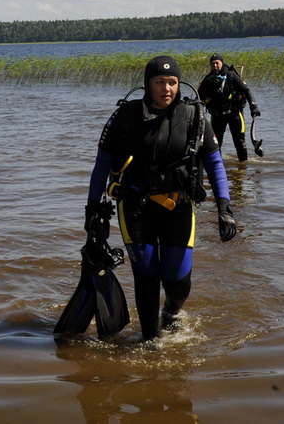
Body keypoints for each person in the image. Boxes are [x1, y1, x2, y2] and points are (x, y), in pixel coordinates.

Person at [85, 55, 236, 341]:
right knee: (146, 275)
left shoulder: (194, 117)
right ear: (147, 84)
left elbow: (215, 163)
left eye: (172, 82)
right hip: (134, 207)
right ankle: (150, 339)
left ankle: (171, 310)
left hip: (178, 206)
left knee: (177, 280)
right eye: (159, 82)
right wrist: (91, 210)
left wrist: (224, 207)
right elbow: (101, 164)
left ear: (179, 84)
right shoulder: (124, 118)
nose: (166, 89)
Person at [197, 53, 260, 162]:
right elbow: (199, 98)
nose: (215, 66)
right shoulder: (207, 80)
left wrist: (253, 107)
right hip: (217, 116)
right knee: (215, 144)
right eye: (212, 64)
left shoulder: (231, 76)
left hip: (235, 114)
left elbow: (247, 90)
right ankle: (218, 165)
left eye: (217, 63)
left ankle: (242, 168)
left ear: (222, 63)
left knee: (240, 143)